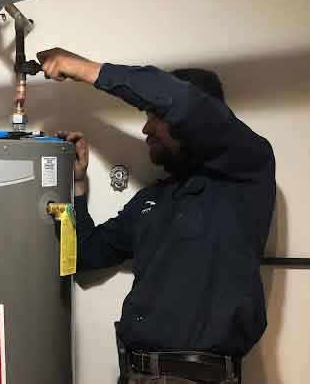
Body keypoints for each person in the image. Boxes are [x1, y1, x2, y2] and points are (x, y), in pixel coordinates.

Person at [37, 48, 276, 384]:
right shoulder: (153, 200)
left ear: (190, 125)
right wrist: (76, 185)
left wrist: (85, 69)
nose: (146, 128)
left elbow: (186, 104)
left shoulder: (246, 176)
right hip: (134, 375)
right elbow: (83, 256)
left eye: (154, 116)